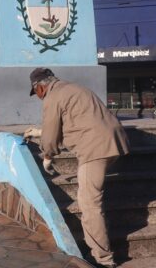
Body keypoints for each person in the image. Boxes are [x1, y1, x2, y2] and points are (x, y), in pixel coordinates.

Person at [24, 68, 130, 268]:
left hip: (95, 149)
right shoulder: (74, 88)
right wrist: (40, 132)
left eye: (36, 93)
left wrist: (47, 155)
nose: (38, 97)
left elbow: (52, 135)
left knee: (89, 203)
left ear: (39, 87)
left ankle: (103, 259)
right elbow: (76, 123)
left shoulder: (52, 97)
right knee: (92, 196)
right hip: (114, 142)